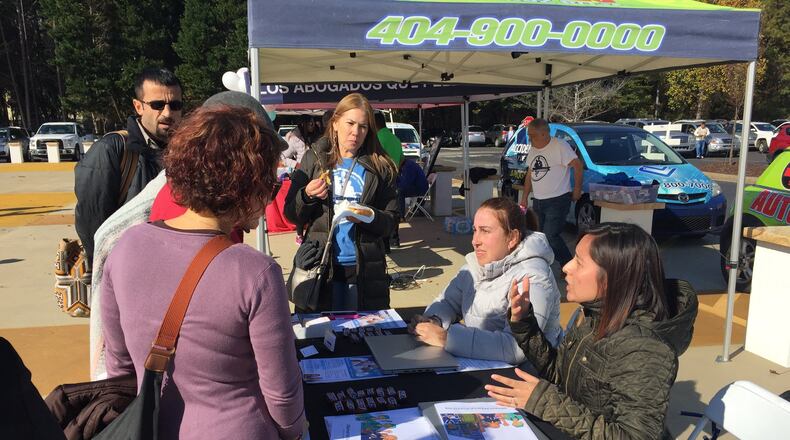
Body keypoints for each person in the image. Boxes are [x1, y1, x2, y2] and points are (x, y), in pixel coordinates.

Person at [101, 105, 304, 439]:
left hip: (150, 428)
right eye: (269, 184)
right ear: (246, 184)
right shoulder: (255, 272)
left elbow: (120, 367)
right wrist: (296, 431)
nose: (270, 198)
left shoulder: (126, 245)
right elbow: (281, 393)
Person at [87, 91, 284, 381]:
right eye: (267, 181)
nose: (268, 196)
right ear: (240, 172)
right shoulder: (179, 217)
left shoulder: (202, 212)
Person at [485, 223, 698, 440]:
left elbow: (635, 436)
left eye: (579, 262)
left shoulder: (645, 349)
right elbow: (561, 377)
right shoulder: (593, 315)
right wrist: (524, 324)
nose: (566, 267)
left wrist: (545, 401)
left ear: (614, 277)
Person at [409, 197, 562, 365]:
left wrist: (447, 338)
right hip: (482, 365)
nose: (475, 241)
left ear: (512, 238)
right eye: (475, 230)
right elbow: (448, 302)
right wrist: (433, 320)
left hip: (528, 374)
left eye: (485, 231)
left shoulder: (533, 277)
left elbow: (516, 348)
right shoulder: (474, 268)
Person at [284, 92, 399, 311]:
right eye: (350, 123)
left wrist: (369, 215)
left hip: (363, 270)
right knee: (320, 329)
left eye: (363, 126)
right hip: (319, 266)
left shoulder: (381, 166)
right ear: (335, 123)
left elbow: (391, 222)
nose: (356, 132)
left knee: (361, 329)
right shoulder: (314, 158)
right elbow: (290, 213)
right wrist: (306, 196)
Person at [75, 67, 183, 265]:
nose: (168, 113)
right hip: (125, 268)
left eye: (175, 105)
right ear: (138, 106)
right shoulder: (111, 150)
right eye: (158, 105)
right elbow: (92, 225)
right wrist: (112, 272)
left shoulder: (185, 152)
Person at [519, 118, 583, 267]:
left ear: (544, 134)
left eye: (532, 135)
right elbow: (530, 174)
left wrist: (577, 189)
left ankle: (568, 265)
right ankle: (542, 264)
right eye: (529, 135)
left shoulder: (560, 145)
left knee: (550, 236)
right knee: (539, 236)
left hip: (558, 199)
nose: (530, 139)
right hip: (539, 200)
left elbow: (577, 165)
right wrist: (524, 197)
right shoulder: (533, 149)